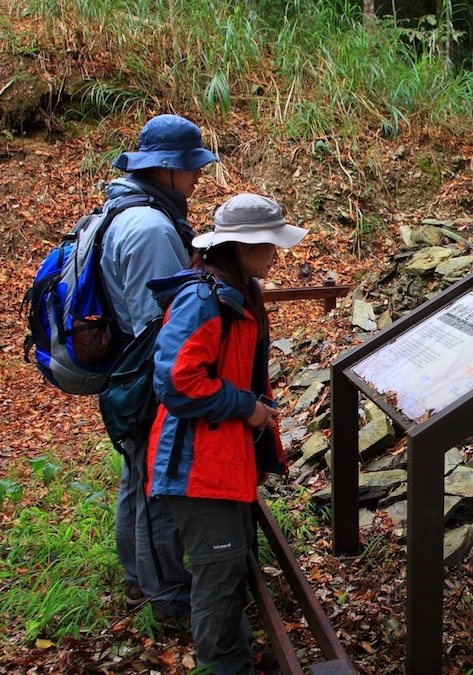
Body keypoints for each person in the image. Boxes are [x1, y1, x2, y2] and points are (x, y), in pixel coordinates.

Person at [146, 193, 306, 673]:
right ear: (240, 247)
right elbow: (176, 381)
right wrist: (246, 407)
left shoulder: (237, 292)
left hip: (221, 455)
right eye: (269, 245)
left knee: (233, 562)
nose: (277, 254)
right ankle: (224, 667)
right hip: (196, 462)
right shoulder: (204, 299)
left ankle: (235, 655)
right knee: (219, 569)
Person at [99, 113, 219, 626]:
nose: (197, 178)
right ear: (166, 169)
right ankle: (167, 598)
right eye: (191, 169)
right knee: (157, 485)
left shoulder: (126, 209)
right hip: (149, 374)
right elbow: (162, 323)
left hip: (131, 366)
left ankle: (138, 579)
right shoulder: (148, 226)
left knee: (139, 479)